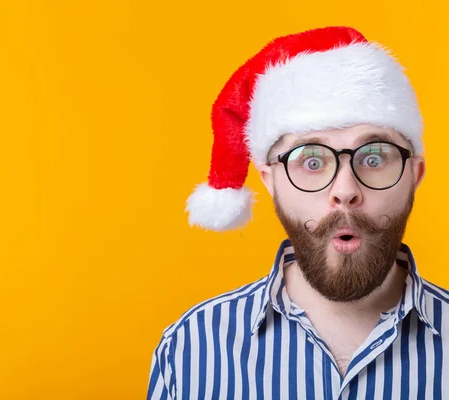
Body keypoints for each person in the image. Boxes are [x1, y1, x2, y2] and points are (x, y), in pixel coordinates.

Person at [146, 26, 449, 399]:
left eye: (373, 158)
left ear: (413, 176)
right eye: (311, 161)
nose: (345, 191)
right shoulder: (190, 350)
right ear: (269, 181)